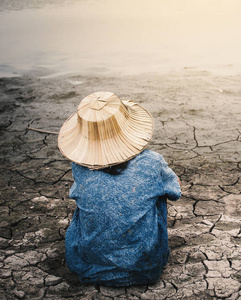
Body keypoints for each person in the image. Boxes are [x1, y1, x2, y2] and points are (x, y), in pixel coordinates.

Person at [58, 92, 181, 287]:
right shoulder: (152, 162)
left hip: (85, 267)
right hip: (146, 268)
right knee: (158, 192)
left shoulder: (79, 166)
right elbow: (175, 192)